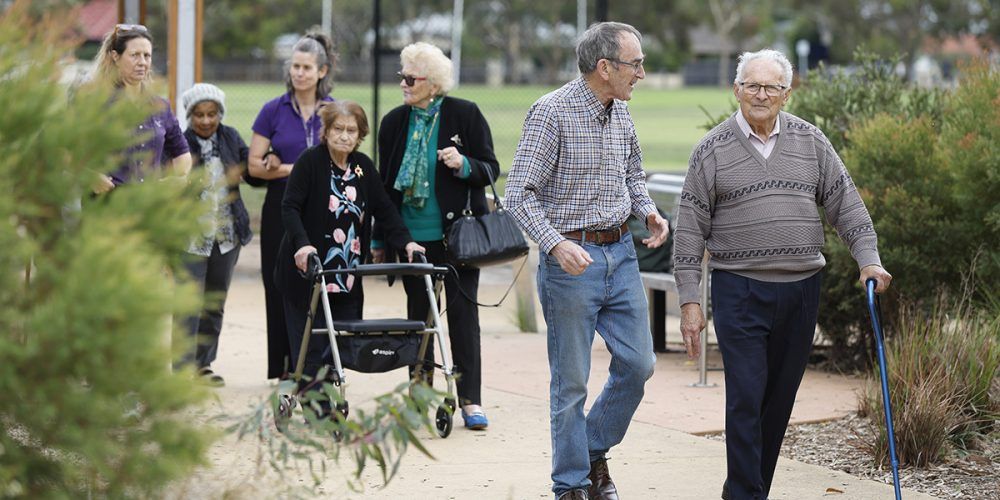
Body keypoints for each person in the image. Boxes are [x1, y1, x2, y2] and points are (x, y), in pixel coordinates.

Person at [672, 49, 893, 500]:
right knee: (746, 397)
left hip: (801, 290)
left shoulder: (812, 142)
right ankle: (744, 496)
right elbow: (690, 230)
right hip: (740, 289)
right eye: (751, 85)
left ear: (786, 94)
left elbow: (844, 203)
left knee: (778, 403)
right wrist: (690, 301)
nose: (760, 94)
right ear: (736, 90)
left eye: (771, 87)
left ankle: (752, 490)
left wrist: (867, 257)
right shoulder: (711, 150)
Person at [504, 22, 670, 500]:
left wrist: (648, 210)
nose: (641, 72)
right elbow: (520, 194)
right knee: (571, 383)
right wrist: (555, 244)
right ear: (605, 67)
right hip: (569, 264)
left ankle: (591, 447)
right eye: (635, 64)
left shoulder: (621, 113)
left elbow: (633, 171)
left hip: (621, 256)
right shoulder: (550, 113)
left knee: (638, 365)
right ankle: (572, 485)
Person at [372, 42, 500, 431]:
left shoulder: (465, 114)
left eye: (410, 79)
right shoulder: (394, 122)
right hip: (413, 238)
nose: (403, 85)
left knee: (463, 317)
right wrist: (381, 239)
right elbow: (384, 188)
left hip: (459, 236)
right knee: (420, 317)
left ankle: (470, 400)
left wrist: (464, 165)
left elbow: (491, 168)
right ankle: (419, 393)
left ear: (432, 83)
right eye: (402, 77)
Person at [275, 100, 424, 409]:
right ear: (326, 131)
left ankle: (326, 402)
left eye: (351, 131)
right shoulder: (310, 162)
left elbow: (384, 210)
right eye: (338, 129)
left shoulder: (363, 167)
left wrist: (407, 242)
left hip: (347, 274)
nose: (344, 136)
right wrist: (303, 244)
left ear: (360, 135)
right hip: (307, 272)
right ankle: (319, 410)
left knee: (339, 345)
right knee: (311, 346)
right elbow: (290, 207)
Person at [248, 32, 336, 381]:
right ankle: (285, 368)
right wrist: (296, 170)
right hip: (280, 209)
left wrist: (285, 166)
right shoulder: (273, 110)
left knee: (322, 285)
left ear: (321, 70)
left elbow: (343, 157)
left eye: (307, 67)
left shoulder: (333, 110)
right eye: (295, 66)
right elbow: (254, 165)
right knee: (279, 283)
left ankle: (321, 365)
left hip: (323, 210)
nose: (299, 73)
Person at [176, 83, 262, 386]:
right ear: (189, 116)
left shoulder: (230, 137)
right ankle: (181, 368)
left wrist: (263, 163)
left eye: (212, 114)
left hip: (226, 236)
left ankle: (202, 364)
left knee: (214, 301)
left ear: (220, 114)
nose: (205, 120)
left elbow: (253, 172)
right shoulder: (182, 142)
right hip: (191, 237)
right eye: (198, 114)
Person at [90, 23, 191, 193]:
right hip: (106, 207)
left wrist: (179, 179)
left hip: (149, 205)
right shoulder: (95, 103)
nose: (142, 62)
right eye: (135, 55)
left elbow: (182, 152)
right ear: (115, 56)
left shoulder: (161, 106)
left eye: (147, 56)